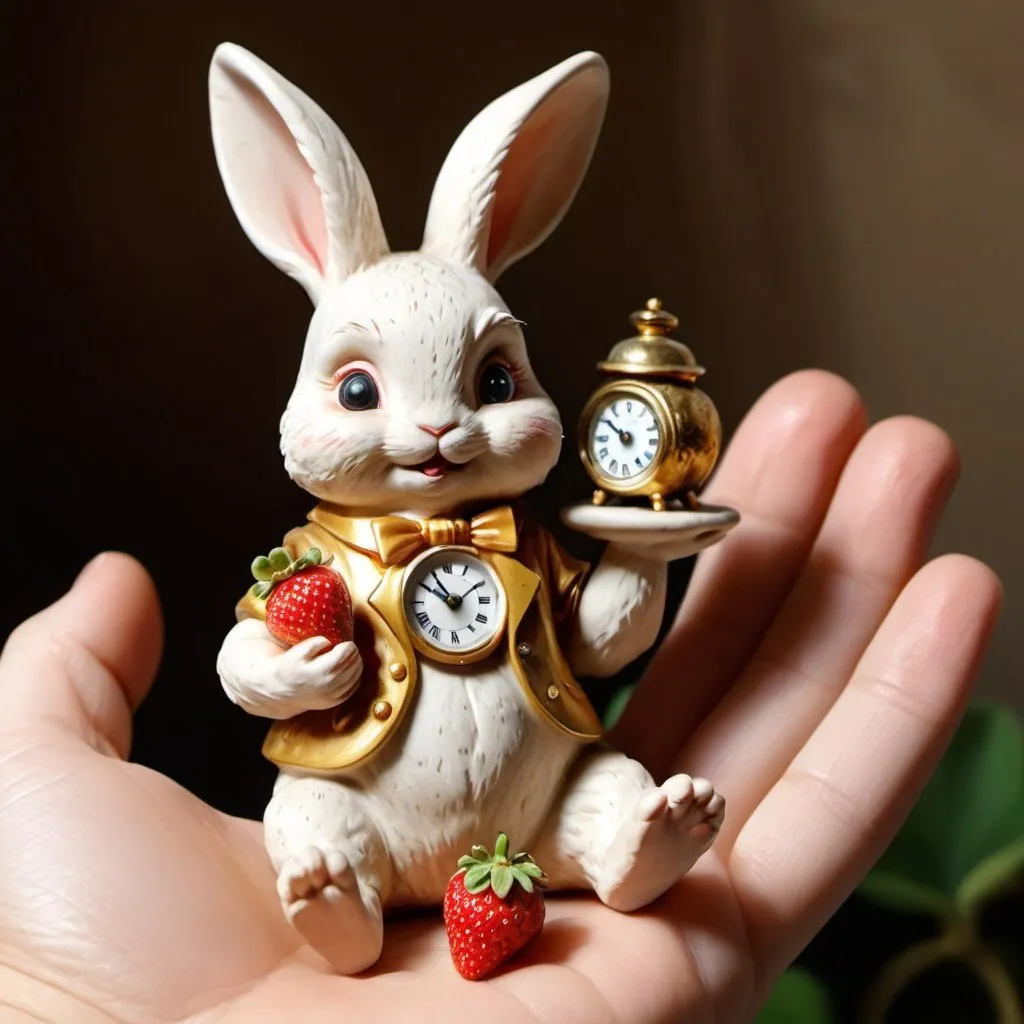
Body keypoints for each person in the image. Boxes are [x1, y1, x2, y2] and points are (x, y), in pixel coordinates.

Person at [0, 371, 1001, 1023]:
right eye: (361, 389)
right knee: (307, 816)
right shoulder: (316, 556)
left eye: (486, 382)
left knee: (607, 778)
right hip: (361, 796)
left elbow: (605, 641)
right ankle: (341, 902)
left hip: (535, 804)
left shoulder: (528, 540)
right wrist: (276, 673)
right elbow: (244, 653)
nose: (436, 422)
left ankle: (622, 853)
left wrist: (637, 558)